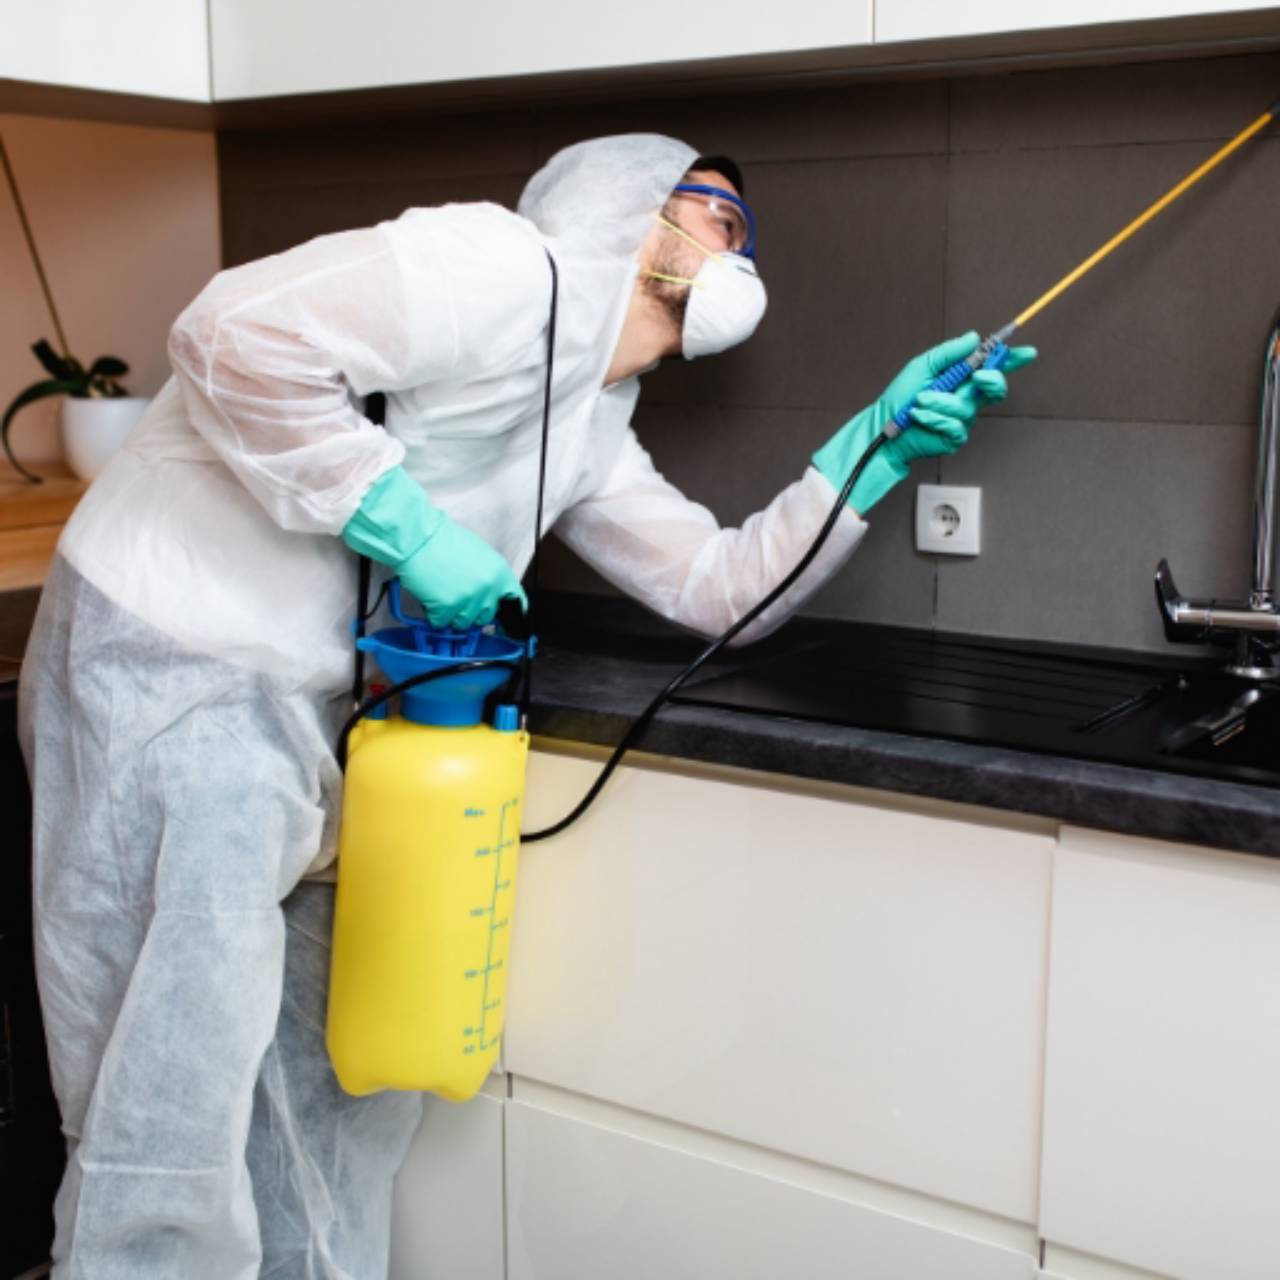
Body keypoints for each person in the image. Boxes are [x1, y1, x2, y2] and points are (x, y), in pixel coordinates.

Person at [18, 133, 1034, 1278]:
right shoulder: (494, 265)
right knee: (173, 1090)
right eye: (716, 216)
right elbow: (229, 333)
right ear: (627, 214)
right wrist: (405, 525)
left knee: (330, 1097)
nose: (739, 252)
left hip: (339, 719)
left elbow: (719, 590)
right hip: (176, 661)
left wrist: (871, 450)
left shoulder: (590, 421)